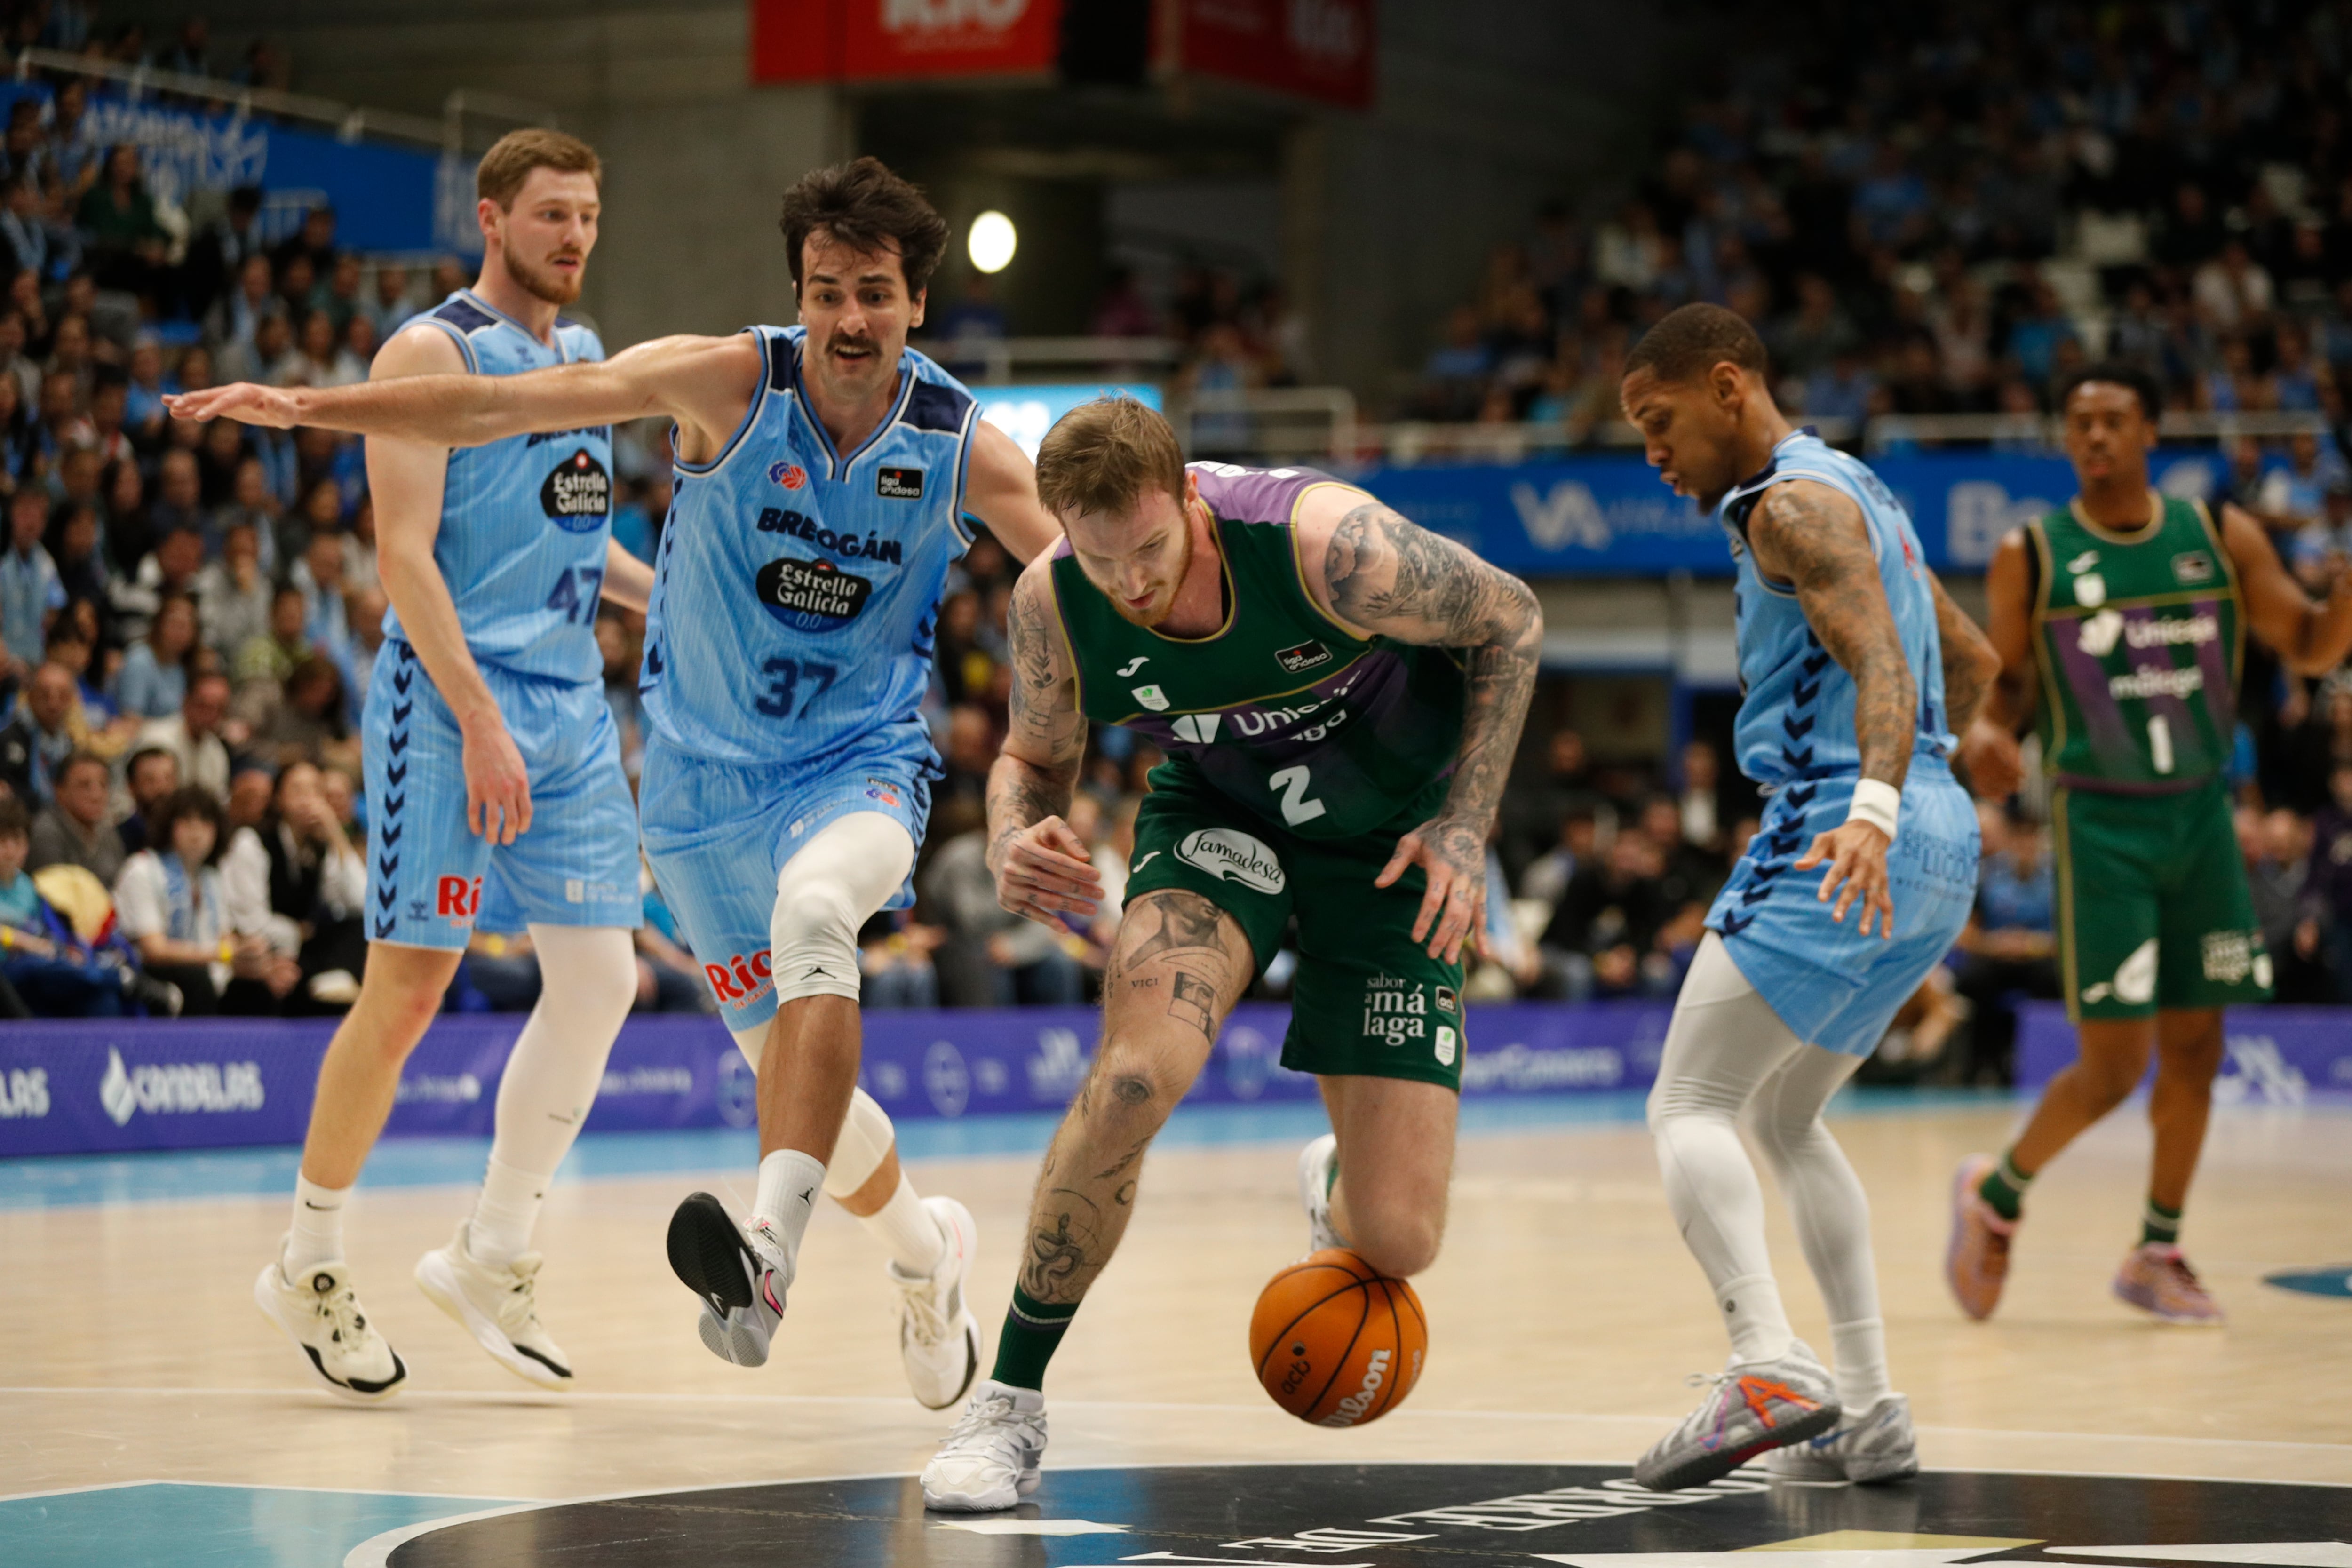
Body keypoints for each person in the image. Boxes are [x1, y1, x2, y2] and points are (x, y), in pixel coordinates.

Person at [170, 154, 1065, 1412]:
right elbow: (495, 417)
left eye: (874, 292)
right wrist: (310, 407)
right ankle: (928, 1254)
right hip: (681, 784)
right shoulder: (710, 376)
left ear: (918, 301)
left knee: (776, 930)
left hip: (844, 763)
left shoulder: (960, 439)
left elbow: (1093, 568)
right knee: (774, 1068)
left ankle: (736, 1250)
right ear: (796, 295)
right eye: (825, 292)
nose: (849, 318)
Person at [919, 398, 1543, 1511]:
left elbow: (1514, 618)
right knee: (1128, 1080)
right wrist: (1014, 832)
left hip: (1388, 840)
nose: (1132, 584)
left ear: (1193, 498)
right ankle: (1007, 1403)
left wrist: (1466, 822)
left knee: (1398, 1238)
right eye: (1101, 557)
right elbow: (1030, 754)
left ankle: (1335, 1178)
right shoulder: (1052, 599)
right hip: (1222, 822)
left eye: (1151, 549)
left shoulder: (1328, 550)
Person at [168, 130, 655, 1403]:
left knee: (603, 977)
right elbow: (403, 556)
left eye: (590, 215)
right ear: (492, 218)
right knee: (406, 994)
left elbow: (577, 531)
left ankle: (493, 1250)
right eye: (552, 214)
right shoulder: (426, 353)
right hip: (452, 704)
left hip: (568, 700)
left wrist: (660, 600)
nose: (574, 236)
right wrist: (482, 717)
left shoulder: (588, 353)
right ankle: (311, 1258)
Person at [1613, 303, 1995, 1489]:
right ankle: (1872, 1412)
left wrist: (1870, 809)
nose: (1651, 451)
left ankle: (1765, 1357)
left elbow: (1881, 662)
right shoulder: (1861, 492)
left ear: (1730, 388)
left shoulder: (1787, 503)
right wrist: (1917, 798)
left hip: (1848, 824)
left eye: (1659, 420)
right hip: (1939, 831)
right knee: (1783, 1118)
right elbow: (1967, 664)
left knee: (1687, 1103)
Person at [1952, 363, 2352, 1327]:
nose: (2094, 437)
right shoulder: (2033, 553)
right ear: (2065, 439)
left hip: (2202, 819)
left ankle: (2156, 1247)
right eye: (2078, 422)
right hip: (2101, 827)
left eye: (2113, 420)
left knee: (2197, 1043)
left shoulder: (2217, 535)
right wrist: (1985, 733)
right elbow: (2002, 693)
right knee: (2115, 1064)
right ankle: (1997, 1193)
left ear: (2151, 430)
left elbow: (2305, 643)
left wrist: (2343, 603)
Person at [112, 784, 295, 1015]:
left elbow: (225, 939)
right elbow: (154, 950)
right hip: (145, 974)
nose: (197, 832)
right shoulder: (142, 870)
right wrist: (224, 955)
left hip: (205, 972)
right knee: (197, 979)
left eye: (206, 823)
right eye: (187, 823)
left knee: (260, 986)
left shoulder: (211, 878)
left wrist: (255, 960)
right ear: (169, 827)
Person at [27, 749, 123, 885]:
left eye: (103, 785)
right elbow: (58, 896)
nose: (97, 795)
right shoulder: (46, 833)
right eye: (85, 785)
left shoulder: (108, 832)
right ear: (59, 791)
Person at [136, 670, 232, 801]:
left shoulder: (216, 752)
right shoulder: (157, 739)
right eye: (204, 705)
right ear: (186, 702)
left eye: (219, 708)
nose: (211, 714)